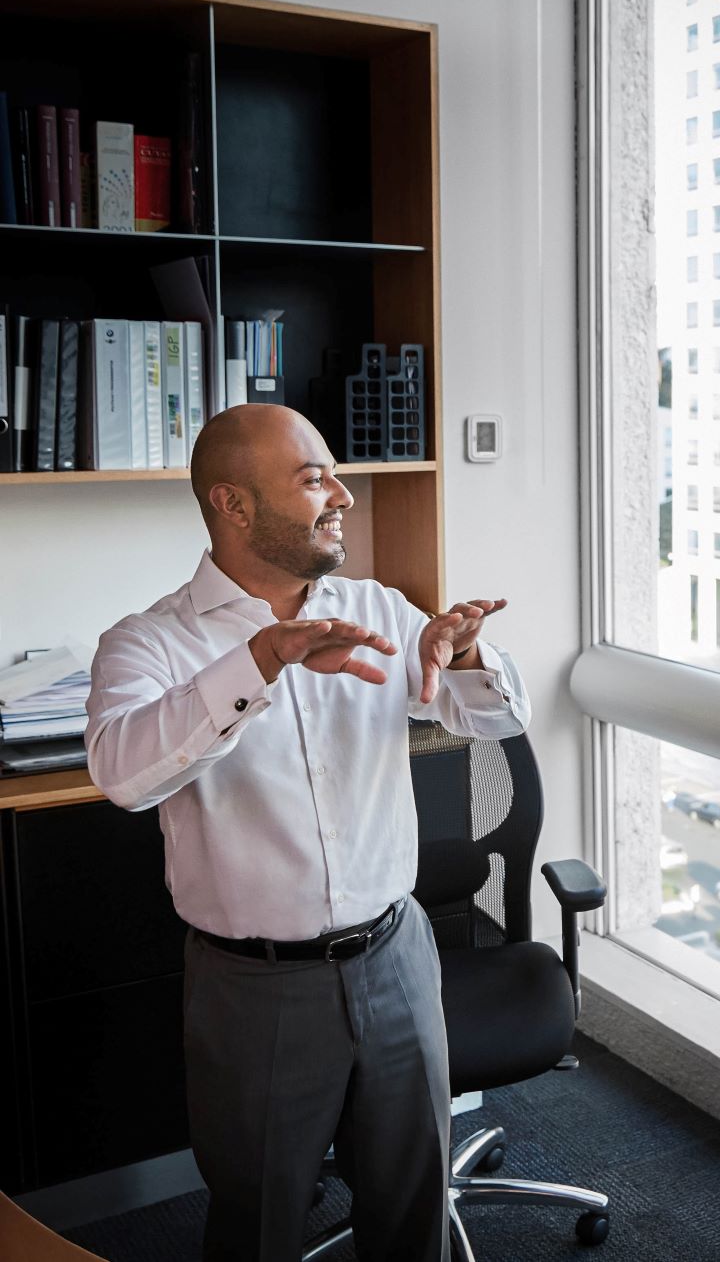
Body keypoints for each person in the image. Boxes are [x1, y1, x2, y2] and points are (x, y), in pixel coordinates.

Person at [85, 404, 530, 1262]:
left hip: (398, 958)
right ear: (235, 505)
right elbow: (123, 775)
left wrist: (466, 659)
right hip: (254, 990)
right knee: (259, 1223)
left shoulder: (379, 608)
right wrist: (264, 659)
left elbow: (494, 727)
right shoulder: (149, 644)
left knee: (414, 1208)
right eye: (313, 478)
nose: (345, 498)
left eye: (335, 472)